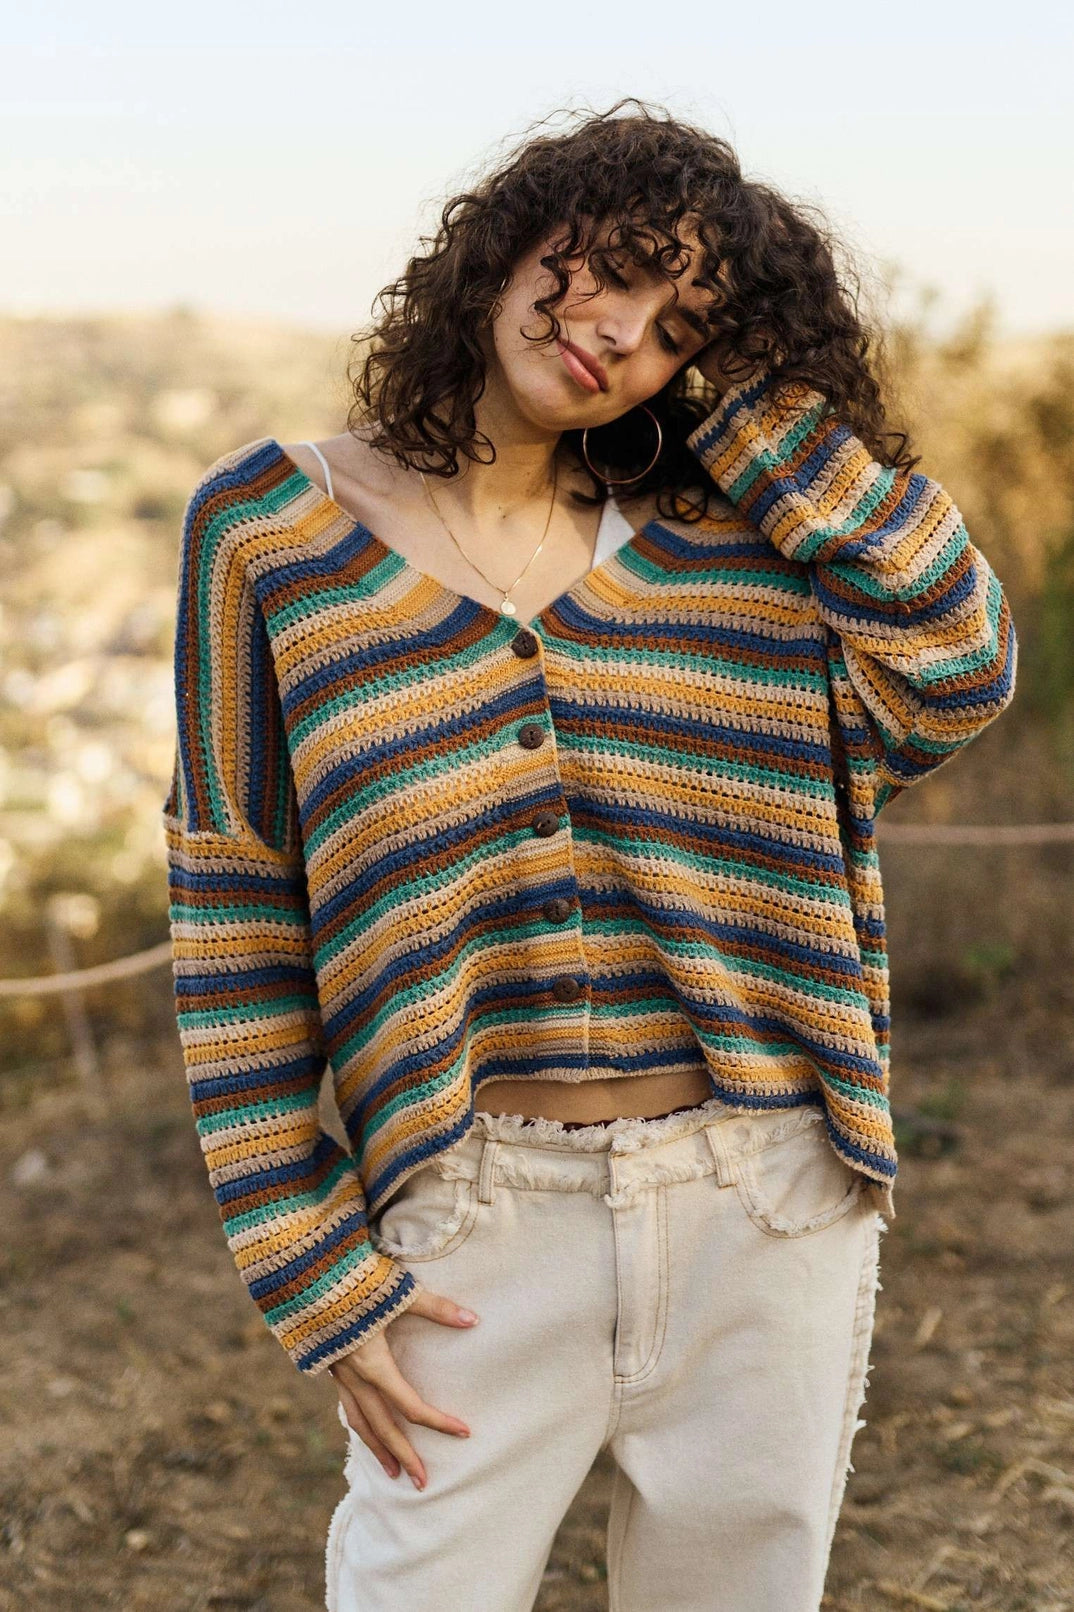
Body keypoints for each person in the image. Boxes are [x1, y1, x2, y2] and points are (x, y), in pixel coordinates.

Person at [162, 100, 1017, 1611]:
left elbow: (955, 661)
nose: (617, 329)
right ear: (504, 243)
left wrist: (746, 410)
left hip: (768, 1206)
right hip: (472, 1213)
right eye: (605, 266)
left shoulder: (732, 553)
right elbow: (233, 900)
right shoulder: (266, 532)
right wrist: (301, 1254)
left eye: (681, 322)